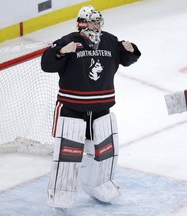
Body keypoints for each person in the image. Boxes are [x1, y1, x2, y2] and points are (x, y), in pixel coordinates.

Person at [41, 5, 141, 208]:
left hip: (101, 108)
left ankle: (100, 183)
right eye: (94, 21)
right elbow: (46, 64)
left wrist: (132, 51)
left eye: (99, 20)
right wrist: (60, 52)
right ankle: (62, 191)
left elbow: (126, 59)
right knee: (69, 153)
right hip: (73, 107)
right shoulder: (68, 40)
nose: (98, 24)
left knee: (104, 151)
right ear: (83, 23)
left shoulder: (110, 40)